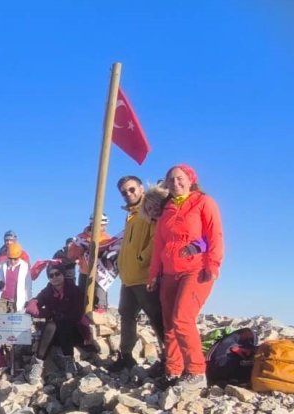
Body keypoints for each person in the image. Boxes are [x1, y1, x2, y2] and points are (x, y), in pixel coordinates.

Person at [146, 164, 223, 389]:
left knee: (182, 319)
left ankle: (196, 372)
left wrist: (213, 264)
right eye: (170, 180)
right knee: (169, 324)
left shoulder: (203, 202)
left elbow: (215, 234)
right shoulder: (167, 209)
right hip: (170, 273)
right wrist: (153, 274)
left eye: (180, 179)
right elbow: (159, 244)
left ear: (191, 180)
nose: (175, 183)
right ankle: (173, 370)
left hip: (196, 270)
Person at [110, 176, 166, 373]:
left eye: (132, 189)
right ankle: (125, 356)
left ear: (141, 188)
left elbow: (156, 238)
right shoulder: (131, 214)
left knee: (156, 317)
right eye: (124, 192)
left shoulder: (149, 209)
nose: (129, 194)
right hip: (128, 277)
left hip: (144, 276)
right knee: (126, 315)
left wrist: (142, 259)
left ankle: (168, 359)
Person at [24, 263, 92, 382]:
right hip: (56, 333)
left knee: (62, 324)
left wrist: (53, 313)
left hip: (74, 331)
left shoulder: (74, 291)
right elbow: (34, 303)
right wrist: (42, 312)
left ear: (63, 274)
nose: (54, 277)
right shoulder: (48, 290)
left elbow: (76, 315)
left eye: (57, 274)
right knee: (51, 326)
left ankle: (69, 362)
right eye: (51, 275)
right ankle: (38, 365)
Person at [67, 214, 114, 312]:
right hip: (84, 273)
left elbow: (110, 258)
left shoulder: (108, 239)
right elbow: (71, 255)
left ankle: (99, 321)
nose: (104, 227)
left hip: (101, 275)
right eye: (102, 225)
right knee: (81, 300)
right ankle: (82, 323)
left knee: (99, 302)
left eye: (104, 225)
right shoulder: (80, 237)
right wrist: (81, 248)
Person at [0, 242, 32, 314]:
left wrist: (28, 300)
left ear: (19, 256)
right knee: (0, 323)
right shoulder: (1, 264)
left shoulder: (24, 267)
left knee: (14, 324)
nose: (13, 261)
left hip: (16, 302)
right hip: (1, 301)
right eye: (10, 258)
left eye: (15, 259)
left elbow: (28, 286)